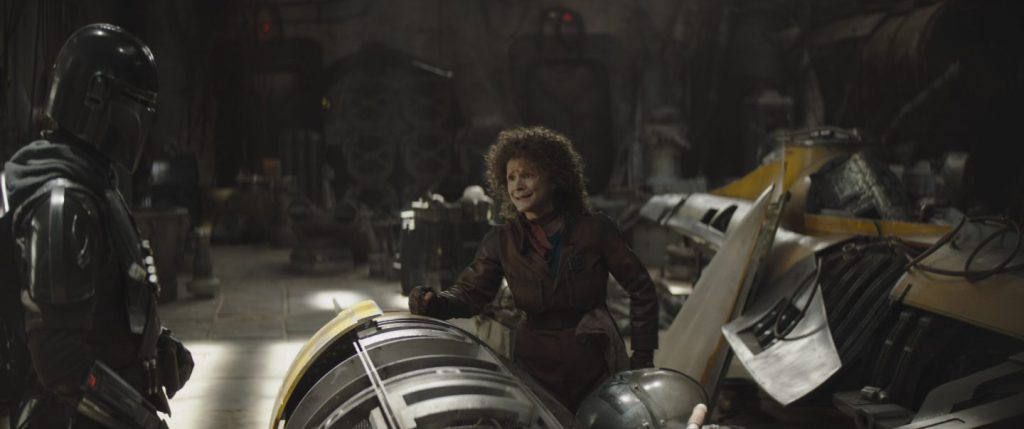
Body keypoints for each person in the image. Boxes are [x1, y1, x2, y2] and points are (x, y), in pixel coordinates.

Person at [0, 23, 190, 428]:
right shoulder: (63, 201)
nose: (144, 120)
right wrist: (139, 417)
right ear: (98, 95)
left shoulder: (94, 182)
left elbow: (108, 297)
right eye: (139, 104)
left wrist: (154, 344)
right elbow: (60, 361)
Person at [409, 126, 659, 411]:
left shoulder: (594, 229)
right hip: (534, 366)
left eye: (527, 175)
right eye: (511, 178)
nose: (518, 185)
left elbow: (641, 288)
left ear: (553, 179)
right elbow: (470, 292)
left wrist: (642, 358)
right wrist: (435, 303)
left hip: (592, 361)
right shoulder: (502, 240)